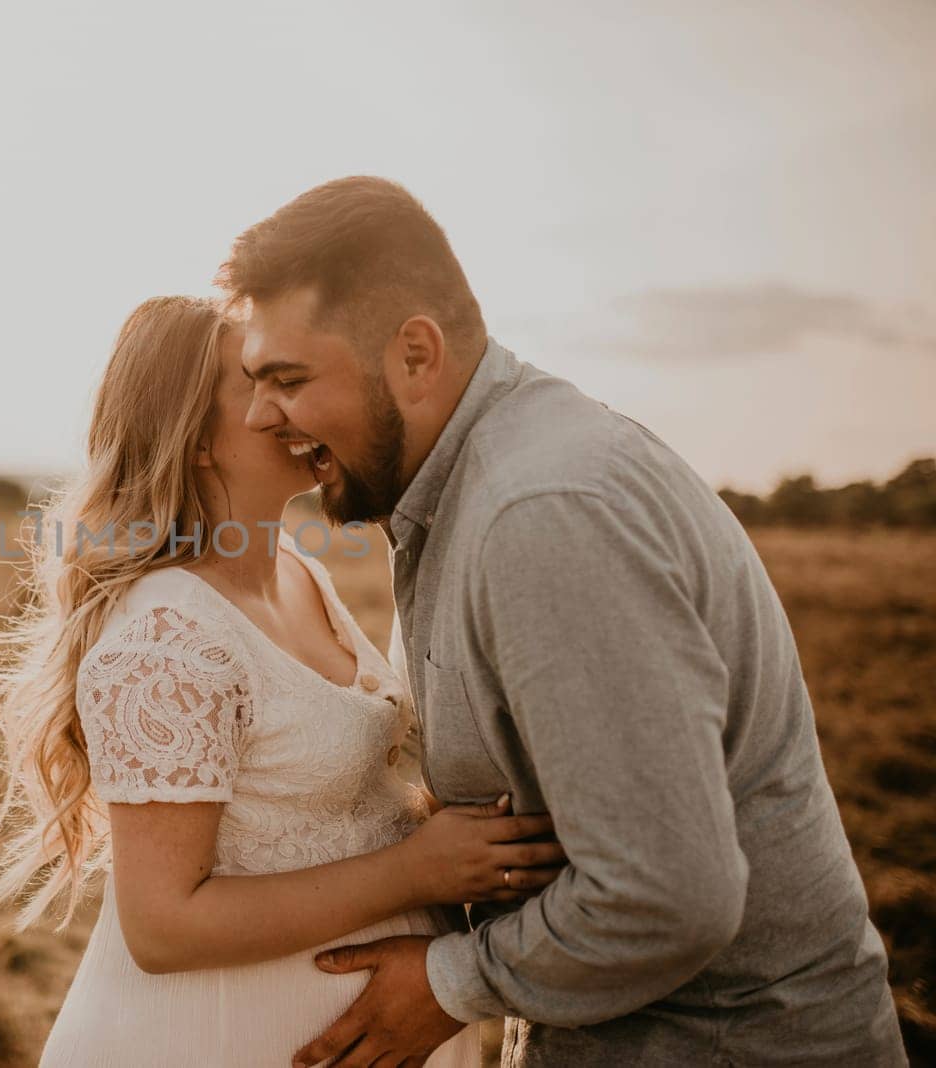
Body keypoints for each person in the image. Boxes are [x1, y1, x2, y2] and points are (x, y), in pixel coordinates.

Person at [212, 175, 907, 1067]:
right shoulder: (463, 491)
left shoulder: (541, 513)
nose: (264, 415)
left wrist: (447, 982)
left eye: (288, 379)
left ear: (416, 356)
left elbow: (668, 894)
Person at [0, 294, 566, 1066]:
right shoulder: (167, 636)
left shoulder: (295, 573)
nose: (301, 401)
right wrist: (419, 869)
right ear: (196, 435)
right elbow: (163, 926)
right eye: (263, 381)